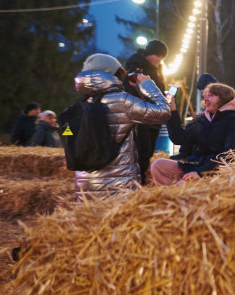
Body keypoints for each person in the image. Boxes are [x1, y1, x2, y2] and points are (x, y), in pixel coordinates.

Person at [74, 53, 172, 197]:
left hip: (85, 188)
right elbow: (163, 112)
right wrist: (146, 85)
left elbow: (68, 135)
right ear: (113, 73)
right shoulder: (122, 101)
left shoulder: (80, 104)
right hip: (119, 186)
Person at [150, 83, 235, 186]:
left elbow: (231, 153)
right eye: (205, 96)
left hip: (216, 171)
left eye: (211, 96)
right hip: (197, 164)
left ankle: (176, 196)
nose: (206, 99)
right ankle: (167, 196)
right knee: (158, 165)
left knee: (182, 185)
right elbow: (179, 138)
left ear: (223, 99)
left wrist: (201, 173)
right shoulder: (203, 119)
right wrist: (172, 111)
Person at [123, 40, 168, 182]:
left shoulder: (156, 70)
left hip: (153, 118)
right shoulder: (135, 67)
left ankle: (141, 180)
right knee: (140, 151)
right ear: (149, 54)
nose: (160, 60)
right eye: (158, 55)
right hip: (140, 118)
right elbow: (130, 89)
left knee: (147, 152)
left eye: (162, 57)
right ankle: (136, 182)